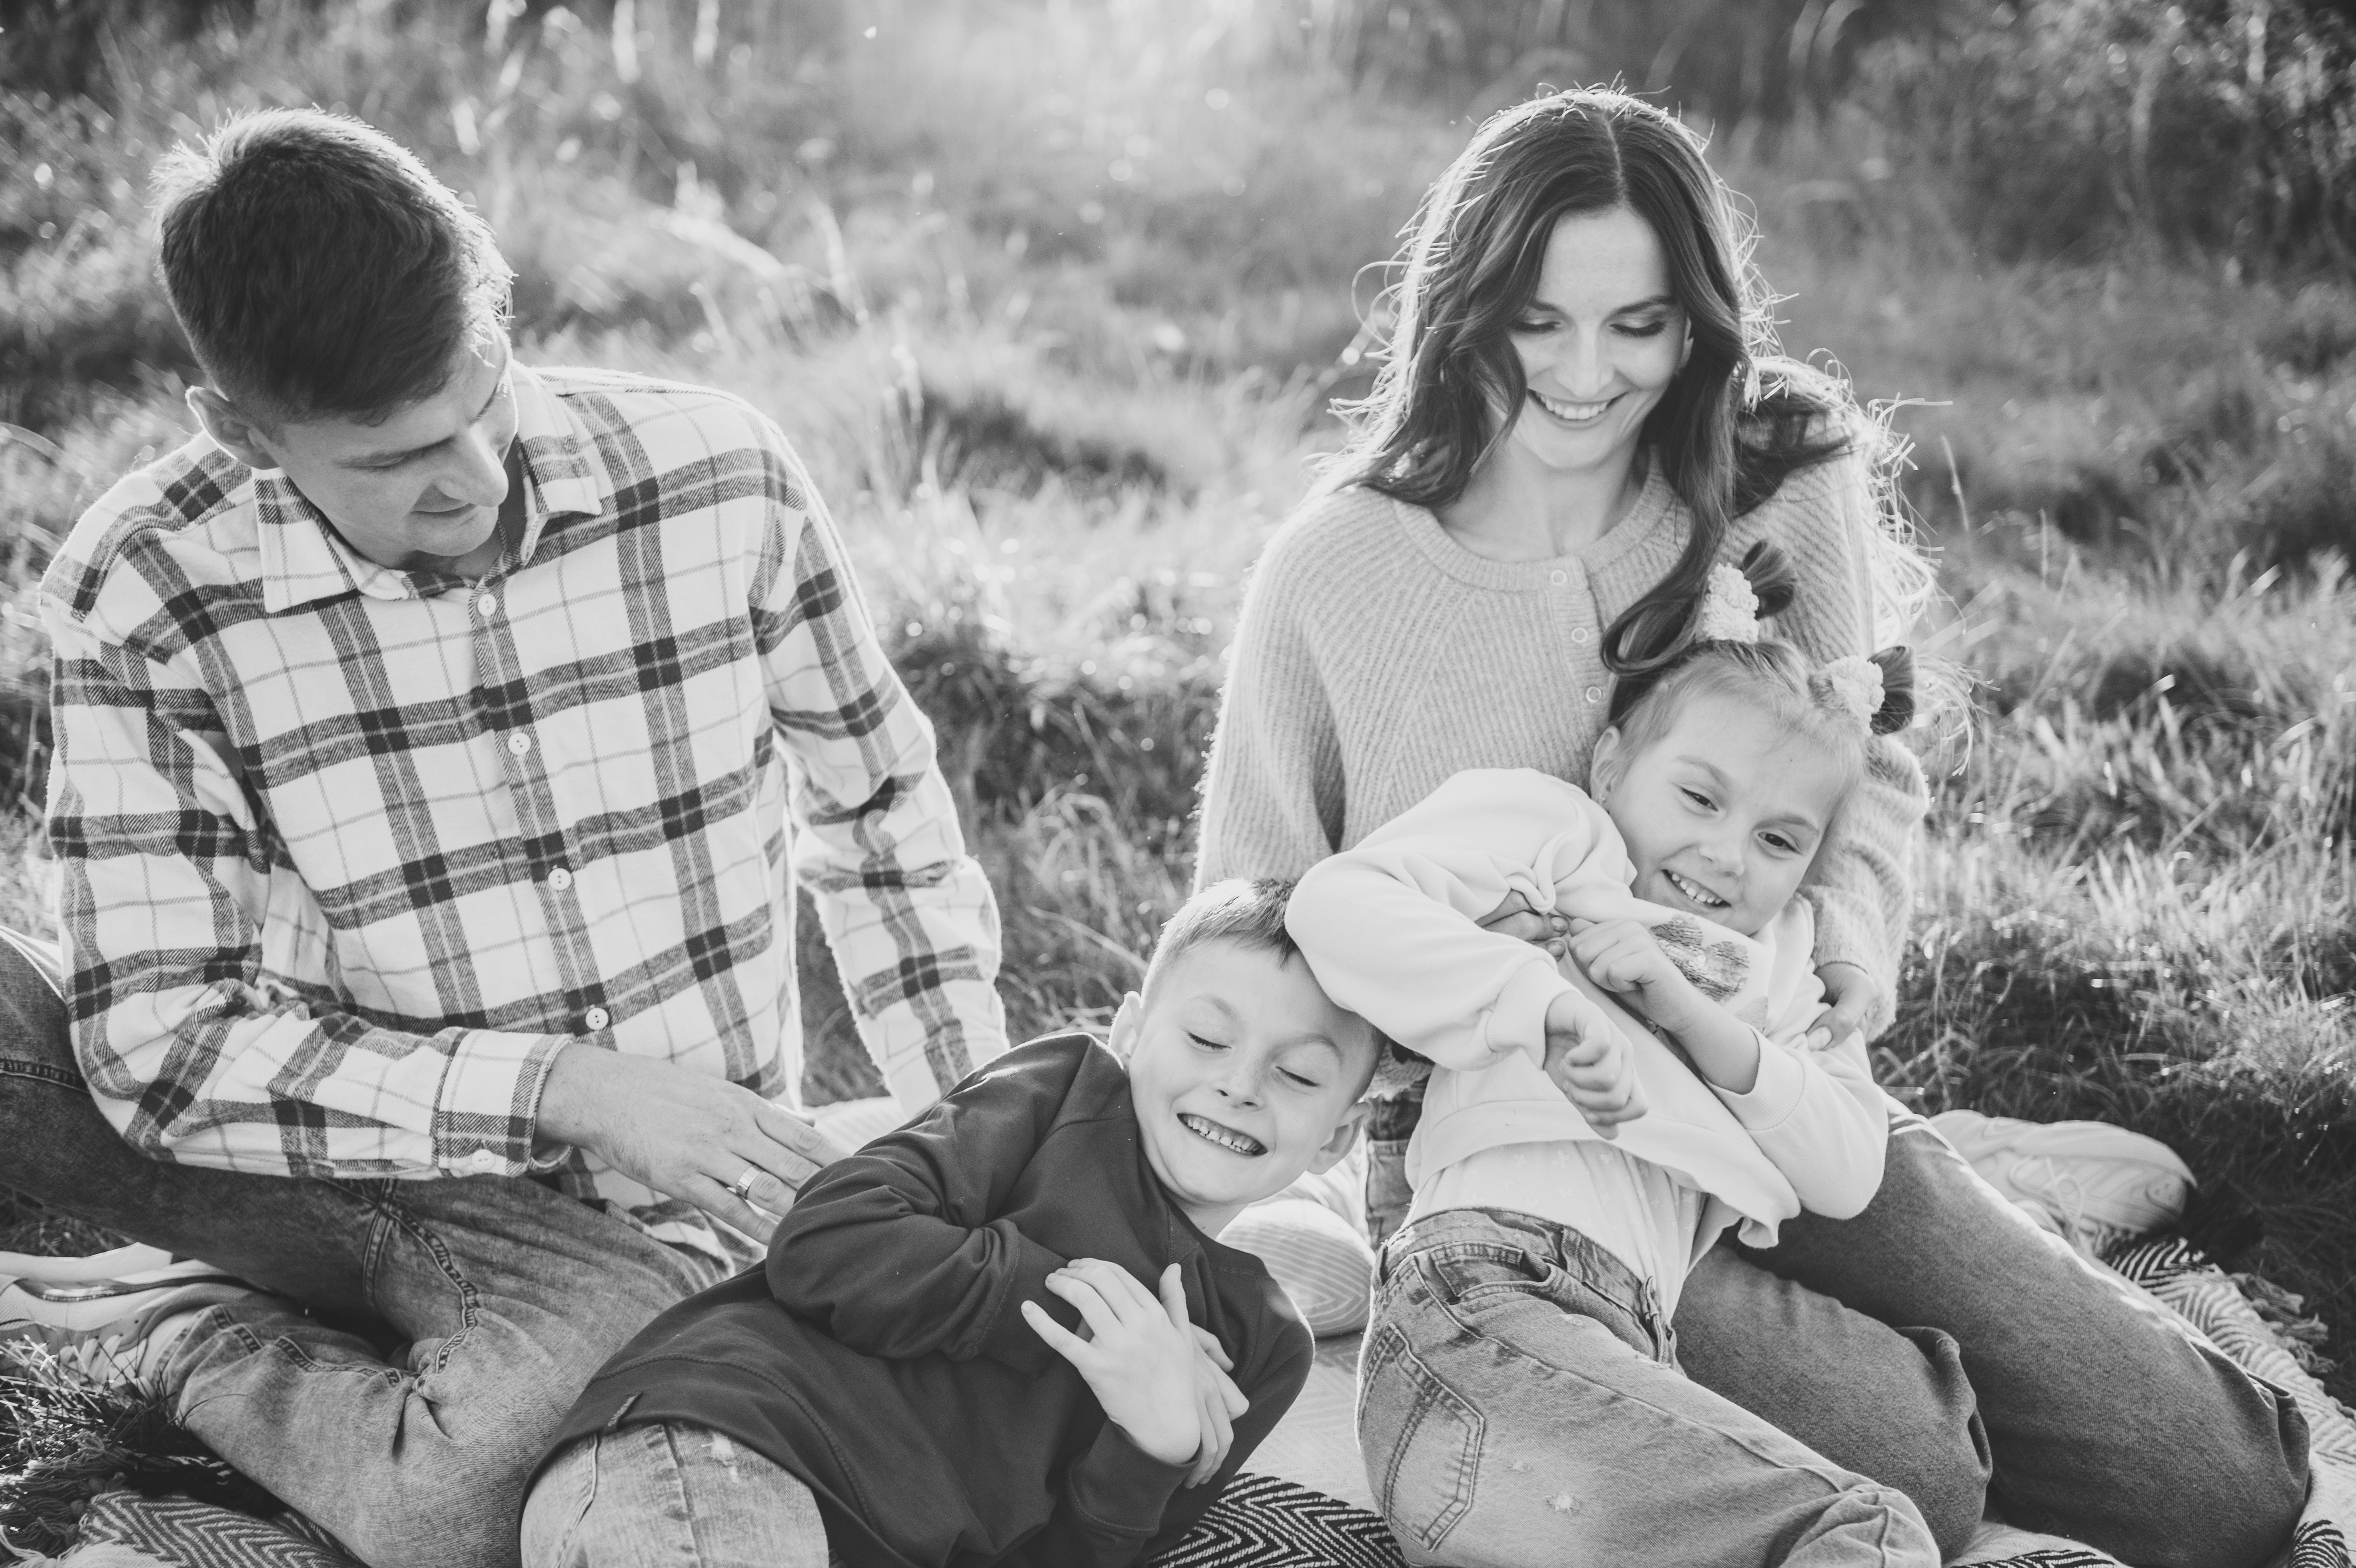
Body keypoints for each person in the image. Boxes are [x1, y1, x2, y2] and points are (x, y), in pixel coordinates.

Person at [1190, 86, 2309, 1564]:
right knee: (1928, 1475)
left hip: (1776, 1079)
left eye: (1638, 325)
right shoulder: (1333, 571)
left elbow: (1869, 765)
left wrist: (1843, 954)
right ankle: (1976, 1262)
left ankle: (1991, 1211)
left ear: (1695, 321)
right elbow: (1258, 904)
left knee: (2223, 1487)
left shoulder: (1769, 469)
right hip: (1531, 1154)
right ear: (1462, 306)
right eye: (1537, 320)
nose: (1586, 375)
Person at [0, 109, 1005, 1568]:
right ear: (240, 431)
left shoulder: (720, 475)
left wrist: (975, 1125)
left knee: (479, 1496)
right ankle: (293, 1299)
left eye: (486, 399)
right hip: (346, 1144)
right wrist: (564, 1086)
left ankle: (172, 1331)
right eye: (398, 456)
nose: (472, 473)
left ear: (502, 307)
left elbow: (879, 807)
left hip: (659, 1221)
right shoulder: (149, 587)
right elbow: (161, 1043)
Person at [1287, 551, 1942, 1564]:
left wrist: (1689, 1012)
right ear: (1609, 766)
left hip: (1619, 1356)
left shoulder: (1782, 966)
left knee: (1874, 1514)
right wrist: (1539, 1004)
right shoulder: (1559, 839)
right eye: (1700, 798)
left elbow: (1851, 1168)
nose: (1728, 854)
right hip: (1481, 1296)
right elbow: (1334, 903)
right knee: (1869, 1531)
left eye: (1780, 840)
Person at [520, 878, 1381, 1568]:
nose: (1241, 1084)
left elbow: (1072, 1554)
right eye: (1206, 1037)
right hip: (730, 1445)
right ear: (1131, 1030)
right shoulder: (1064, 1093)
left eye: (1299, 1075)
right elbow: (824, 1239)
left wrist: (1151, 1437)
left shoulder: (1260, 1350)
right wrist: (1086, 1319)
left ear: (1338, 1134)